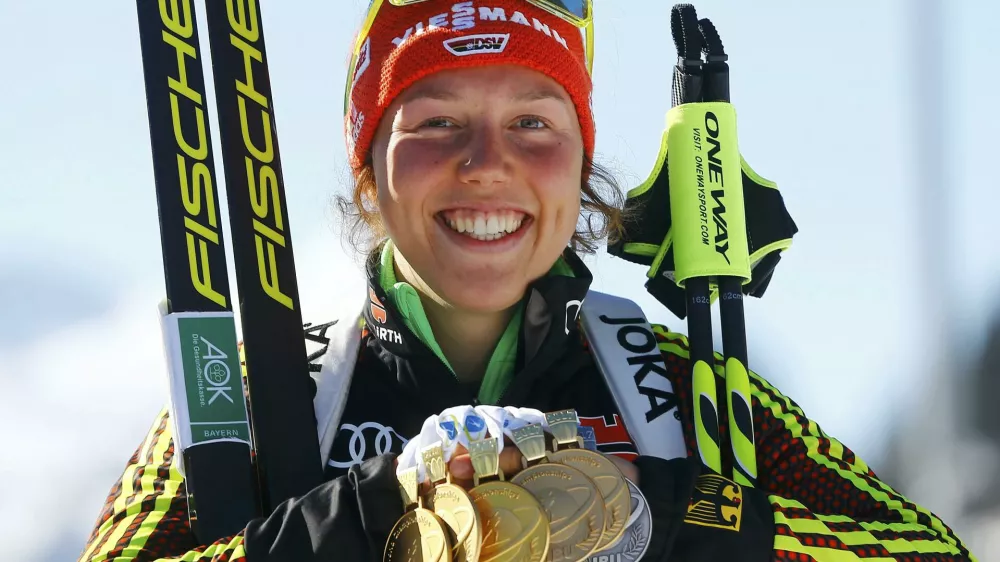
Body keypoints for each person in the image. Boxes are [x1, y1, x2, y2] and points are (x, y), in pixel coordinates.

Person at [78, 1, 976, 560]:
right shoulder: (256, 393)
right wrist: (370, 515)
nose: (485, 164)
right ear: (367, 173)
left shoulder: (674, 387)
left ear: (583, 166)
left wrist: (659, 511)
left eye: (535, 124)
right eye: (435, 122)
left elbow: (926, 550)